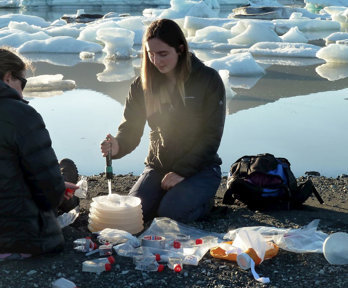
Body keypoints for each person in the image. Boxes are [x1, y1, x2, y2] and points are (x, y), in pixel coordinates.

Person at [101, 19, 226, 223]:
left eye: (163, 54)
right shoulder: (141, 85)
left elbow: (211, 135)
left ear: (180, 49)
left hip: (201, 167)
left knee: (170, 213)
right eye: (150, 54)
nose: (156, 60)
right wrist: (117, 146)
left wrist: (181, 172)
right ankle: (174, 196)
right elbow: (131, 129)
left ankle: (204, 200)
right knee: (135, 213)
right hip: (158, 166)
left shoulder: (207, 80)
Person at [0, 47, 79, 260]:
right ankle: (68, 195)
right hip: (17, 238)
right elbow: (48, 192)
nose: (23, 91)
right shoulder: (21, 114)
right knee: (58, 183)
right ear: (8, 77)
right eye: (22, 83)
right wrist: (58, 190)